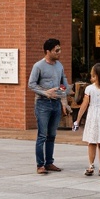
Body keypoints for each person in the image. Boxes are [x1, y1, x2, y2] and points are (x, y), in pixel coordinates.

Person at [28, 37, 69, 175]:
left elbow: (64, 84)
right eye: (56, 50)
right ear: (48, 51)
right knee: (42, 135)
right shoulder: (38, 66)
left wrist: (64, 101)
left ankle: (49, 162)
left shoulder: (60, 66)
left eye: (60, 49)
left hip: (56, 104)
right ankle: (40, 165)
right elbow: (31, 84)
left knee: (52, 135)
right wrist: (45, 93)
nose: (59, 52)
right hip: (42, 104)